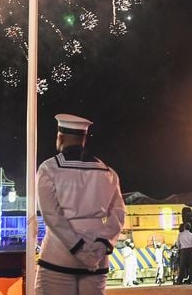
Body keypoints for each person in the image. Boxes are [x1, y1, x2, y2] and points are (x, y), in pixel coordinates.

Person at [35, 113, 126, 295]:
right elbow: (119, 214)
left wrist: (78, 249)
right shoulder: (108, 172)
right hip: (97, 258)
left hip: (58, 258)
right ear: (84, 139)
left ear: (60, 137)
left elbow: (52, 215)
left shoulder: (49, 169)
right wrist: (100, 245)